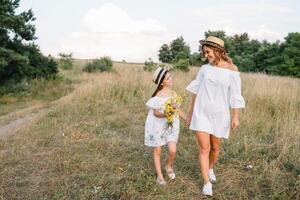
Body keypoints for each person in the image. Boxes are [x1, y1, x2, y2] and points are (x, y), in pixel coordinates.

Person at [186, 36, 245, 196]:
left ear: (218, 51)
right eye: (204, 53)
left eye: (208, 52)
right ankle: (206, 183)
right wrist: (191, 113)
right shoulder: (204, 69)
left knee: (215, 148)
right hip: (201, 112)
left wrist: (235, 116)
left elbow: (235, 95)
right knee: (204, 148)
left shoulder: (232, 70)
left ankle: (210, 168)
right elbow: (196, 91)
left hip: (220, 115)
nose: (206, 56)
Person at [145, 67, 188, 185]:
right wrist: (166, 114)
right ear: (162, 82)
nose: (171, 79)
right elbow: (156, 113)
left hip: (171, 126)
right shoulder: (157, 96)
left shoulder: (173, 94)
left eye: (170, 76)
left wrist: (187, 120)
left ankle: (168, 166)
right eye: (168, 78)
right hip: (158, 125)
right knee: (157, 150)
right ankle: (160, 176)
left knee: (172, 150)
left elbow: (177, 110)